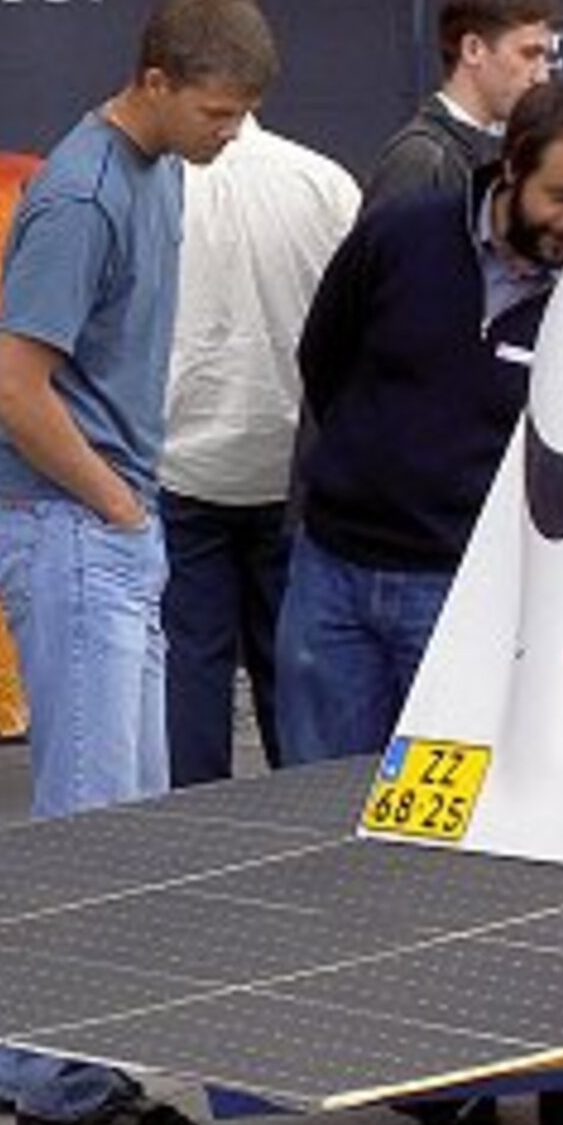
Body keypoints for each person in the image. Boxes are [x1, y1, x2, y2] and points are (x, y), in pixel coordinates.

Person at [0, 0, 277, 1125]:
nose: (227, 135)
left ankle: (27, 1049)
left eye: (240, 116)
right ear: (155, 81)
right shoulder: (87, 193)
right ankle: (68, 1073)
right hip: (70, 522)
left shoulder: (148, 174)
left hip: (94, 520)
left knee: (109, 806)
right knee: (97, 815)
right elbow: (15, 388)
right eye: (216, 112)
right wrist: (116, 507)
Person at [276, 76, 563, 771]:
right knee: (311, 802)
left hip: (467, 593)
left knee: (445, 832)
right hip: (333, 574)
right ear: (512, 164)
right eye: (560, 196)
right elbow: (324, 356)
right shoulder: (400, 235)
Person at [158, 116, 358, 787]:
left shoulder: (156, 182)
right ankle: (302, 830)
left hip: (181, 461)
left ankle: (188, 832)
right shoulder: (322, 181)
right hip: (290, 466)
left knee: (189, 664)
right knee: (295, 670)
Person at [362, 0, 561, 213]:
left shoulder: (503, 154)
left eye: (545, 58)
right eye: (529, 54)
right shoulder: (422, 160)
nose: (542, 76)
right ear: (473, 49)